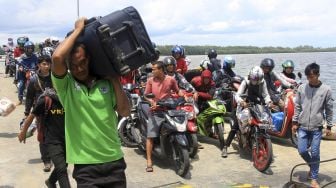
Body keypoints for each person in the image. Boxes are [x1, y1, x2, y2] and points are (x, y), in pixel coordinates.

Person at [51, 17, 130, 187]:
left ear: (90, 59)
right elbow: (57, 57)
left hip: (114, 161)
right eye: (74, 65)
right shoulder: (66, 86)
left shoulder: (107, 82)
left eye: (83, 62)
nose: (79, 69)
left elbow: (125, 112)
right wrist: (78, 30)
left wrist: (115, 79)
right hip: (85, 166)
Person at [18, 88, 71, 188]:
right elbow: (32, 116)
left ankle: (50, 181)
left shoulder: (69, 97)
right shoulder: (46, 99)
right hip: (51, 139)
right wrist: (23, 132)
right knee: (61, 168)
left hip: (67, 139)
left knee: (64, 164)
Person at [292, 63, 333, 188]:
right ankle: (313, 165)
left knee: (315, 153)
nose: (310, 79)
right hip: (303, 126)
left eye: (312, 76)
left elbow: (329, 109)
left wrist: (329, 126)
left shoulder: (326, 90)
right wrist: (295, 122)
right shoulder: (301, 88)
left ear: (318, 75)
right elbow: (298, 106)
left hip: (317, 128)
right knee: (302, 150)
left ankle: (314, 179)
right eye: (308, 76)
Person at [144, 61, 186, 172]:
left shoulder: (170, 79)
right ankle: (149, 161)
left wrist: (184, 96)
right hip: (155, 111)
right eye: (152, 69)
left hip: (169, 110)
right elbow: (146, 95)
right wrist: (151, 101)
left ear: (161, 69)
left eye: (154, 69)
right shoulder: (150, 81)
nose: (152, 71)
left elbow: (178, 91)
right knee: (151, 136)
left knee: (178, 128)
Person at [222, 66, 272, 158]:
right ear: (251, 76)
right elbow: (237, 95)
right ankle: (225, 146)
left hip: (257, 105)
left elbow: (266, 95)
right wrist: (242, 102)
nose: (256, 81)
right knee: (235, 127)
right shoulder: (246, 81)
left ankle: (260, 141)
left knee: (263, 121)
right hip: (244, 104)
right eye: (254, 78)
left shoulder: (263, 82)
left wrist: (269, 102)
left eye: (258, 79)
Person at [24, 55, 53, 172]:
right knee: (42, 135)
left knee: (57, 132)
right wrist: (27, 112)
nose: (46, 66)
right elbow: (29, 97)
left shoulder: (55, 77)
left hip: (55, 109)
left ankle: (56, 155)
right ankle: (46, 160)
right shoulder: (33, 80)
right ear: (39, 65)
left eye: (48, 64)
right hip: (40, 111)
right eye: (44, 64)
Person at [17, 40, 38, 105]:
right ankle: (20, 99)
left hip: (33, 72)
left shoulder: (35, 56)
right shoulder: (22, 57)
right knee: (21, 84)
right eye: (28, 48)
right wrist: (21, 69)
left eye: (31, 48)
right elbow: (19, 65)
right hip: (23, 73)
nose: (30, 49)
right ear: (25, 49)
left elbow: (37, 64)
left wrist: (38, 68)